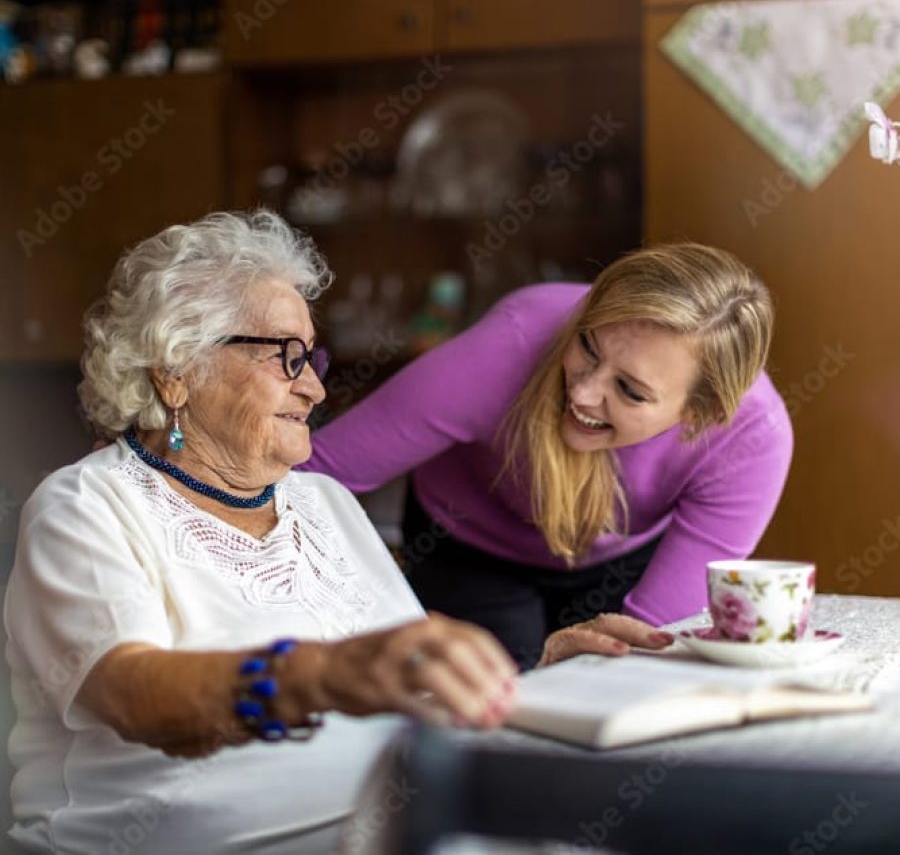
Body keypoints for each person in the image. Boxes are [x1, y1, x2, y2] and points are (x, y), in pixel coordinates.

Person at [4, 210, 671, 855]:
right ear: (176, 374)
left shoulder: (322, 503)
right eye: (285, 358)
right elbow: (134, 694)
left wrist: (531, 673)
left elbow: (403, 670)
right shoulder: (87, 506)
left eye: (311, 360)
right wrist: (320, 673)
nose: (316, 393)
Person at [302, 243, 793, 669]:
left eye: (629, 390)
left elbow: (651, 642)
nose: (582, 392)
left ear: (700, 414)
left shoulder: (753, 438)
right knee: (494, 695)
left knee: (616, 685)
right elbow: (312, 473)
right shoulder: (512, 342)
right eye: (588, 346)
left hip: (619, 557)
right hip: (467, 542)